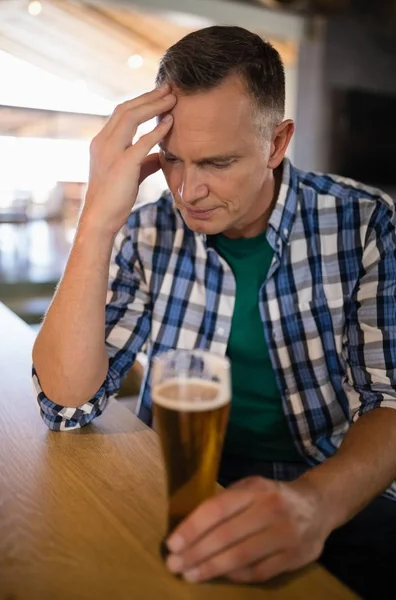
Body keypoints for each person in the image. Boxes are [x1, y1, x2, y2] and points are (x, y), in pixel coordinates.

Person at [32, 26, 396, 599]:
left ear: (277, 144)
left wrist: (314, 505)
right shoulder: (148, 229)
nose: (187, 191)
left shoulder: (363, 221)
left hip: (324, 486)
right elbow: (67, 403)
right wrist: (98, 219)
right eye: (172, 161)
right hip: (170, 484)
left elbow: (390, 402)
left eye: (216, 162)